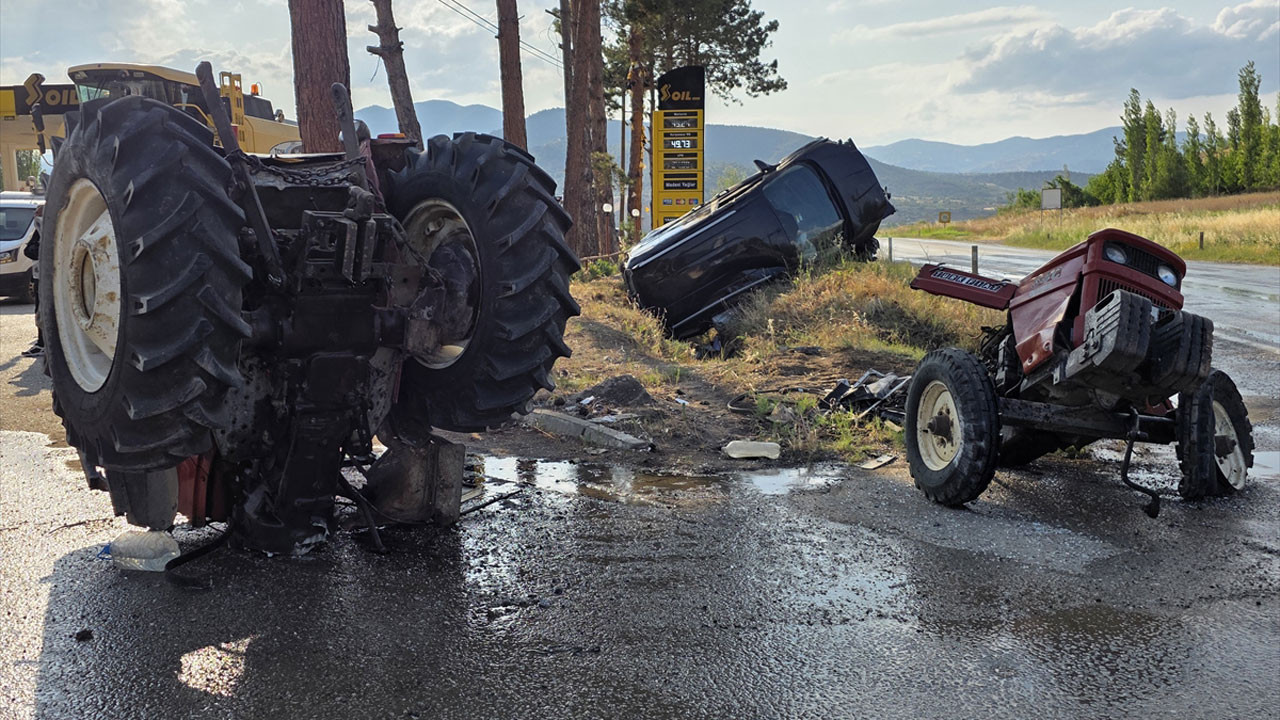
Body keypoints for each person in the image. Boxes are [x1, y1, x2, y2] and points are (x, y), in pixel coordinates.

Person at [20, 215, 42, 358]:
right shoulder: (39, 230)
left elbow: (31, 250)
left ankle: (42, 344)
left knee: (44, 310)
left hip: (48, 277)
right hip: (39, 276)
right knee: (39, 310)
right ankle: (41, 342)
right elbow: (28, 250)